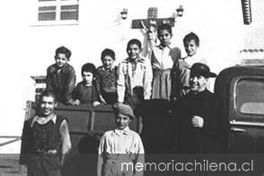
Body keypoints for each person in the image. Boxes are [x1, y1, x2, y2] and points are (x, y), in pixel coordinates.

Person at [173, 63, 223, 153]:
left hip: (206, 152)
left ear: (206, 80)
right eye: (192, 76)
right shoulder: (183, 101)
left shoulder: (214, 101)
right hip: (186, 152)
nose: (193, 80)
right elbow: (176, 128)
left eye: (198, 77)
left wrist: (205, 124)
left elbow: (221, 127)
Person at [19, 90, 71, 176]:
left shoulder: (60, 122)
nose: (46, 106)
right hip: (34, 164)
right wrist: (23, 169)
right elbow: (25, 147)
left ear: (55, 104)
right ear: (39, 103)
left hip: (52, 165)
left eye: (50, 103)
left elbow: (66, 145)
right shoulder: (30, 123)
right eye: (43, 103)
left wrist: (60, 163)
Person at [97, 103, 145, 176]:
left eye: (125, 118)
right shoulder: (107, 135)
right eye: (118, 118)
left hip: (126, 170)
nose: (121, 121)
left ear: (130, 120)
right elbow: (100, 159)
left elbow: (140, 160)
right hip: (109, 170)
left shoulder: (134, 137)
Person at [117, 39, 152, 108]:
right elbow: (120, 83)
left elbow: (147, 82)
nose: (132, 52)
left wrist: (146, 99)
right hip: (128, 97)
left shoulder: (145, 63)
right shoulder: (123, 64)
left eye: (135, 49)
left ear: (140, 50)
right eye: (130, 49)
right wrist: (120, 100)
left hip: (141, 96)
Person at [171, 32, 207, 100]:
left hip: (197, 92)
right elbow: (175, 80)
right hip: (182, 92)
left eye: (191, 45)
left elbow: (205, 81)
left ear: (197, 45)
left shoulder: (202, 62)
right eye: (186, 46)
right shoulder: (180, 62)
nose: (188, 48)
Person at [150, 23, 181, 100]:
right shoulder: (154, 50)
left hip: (169, 78)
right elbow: (150, 66)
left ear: (171, 35)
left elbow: (177, 68)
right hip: (157, 78)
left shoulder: (175, 50)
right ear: (158, 37)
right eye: (161, 35)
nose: (163, 38)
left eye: (166, 35)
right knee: (156, 101)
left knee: (168, 101)